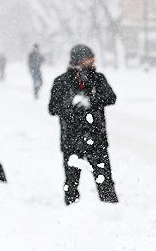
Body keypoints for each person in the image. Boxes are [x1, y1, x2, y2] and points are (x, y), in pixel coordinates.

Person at [48, 44, 118, 205]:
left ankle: (112, 213)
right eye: (88, 58)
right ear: (78, 60)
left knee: (105, 181)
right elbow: (52, 108)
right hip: (71, 140)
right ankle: (73, 214)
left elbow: (111, 97)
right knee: (71, 183)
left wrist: (90, 101)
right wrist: (71, 104)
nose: (92, 61)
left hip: (97, 138)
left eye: (92, 58)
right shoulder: (61, 81)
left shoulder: (98, 79)